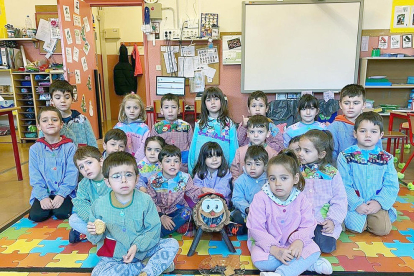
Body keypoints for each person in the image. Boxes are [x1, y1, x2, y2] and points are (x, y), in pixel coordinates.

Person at [87, 152, 179, 276]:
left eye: (128, 175)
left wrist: (137, 246)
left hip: (143, 250)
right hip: (115, 256)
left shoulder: (145, 200)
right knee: (97, 273)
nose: (123, 180)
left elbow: (153, 230)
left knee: (172, 244)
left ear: (136, 179)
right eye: (116, 176)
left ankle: (148, 272)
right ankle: (146, 267)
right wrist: (94, 232)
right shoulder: (99, 205)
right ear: (108, 182)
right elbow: (94, 239)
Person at [247, 150, 333, 276]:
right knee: (262, 263)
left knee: (314, 251)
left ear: (295, 178)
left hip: (294, 246)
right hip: (268, 246)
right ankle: (307, 264)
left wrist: (299, 241)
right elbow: (256, 228)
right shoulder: (260, 198)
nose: (277, 183)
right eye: (272, 178)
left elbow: (308, 225)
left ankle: (281, 273)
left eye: (284, 178)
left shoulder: (301, 198)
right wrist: (275, 250)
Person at [338, 112, 399, 236]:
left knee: (383, 230)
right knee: (355, 227)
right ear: (355, 133)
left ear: (381, 135)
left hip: (376, 202)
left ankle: (379, 213)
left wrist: (379, 203)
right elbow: (343, 184)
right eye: (363, 131)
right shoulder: (345, 156)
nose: (368, 135)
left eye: (373, 131)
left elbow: (391, 185)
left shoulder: (387, 158)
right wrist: (356, 203)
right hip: (353, 203)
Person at [147, 145, 215, 237]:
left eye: (176, 161)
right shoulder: (153, 180)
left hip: (176, 209)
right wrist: (162, 216)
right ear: (160, 164)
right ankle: (171, 226)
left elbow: (192, 191)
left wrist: (203, 190)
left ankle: (161, 232)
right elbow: (151, 202)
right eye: (167, 161)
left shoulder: (185, 177)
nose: (172, 164)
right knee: (146, 218)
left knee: (187, 212)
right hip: (158, 212)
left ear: (180, 163)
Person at [298, 130, 347, 253]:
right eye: (299, 149)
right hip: (299, 220)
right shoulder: (295, 170)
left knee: (327, 247)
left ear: (321, 154)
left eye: (306, 151)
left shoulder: (332, 173)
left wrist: (332, 220)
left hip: (322, 221)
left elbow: (339, 200)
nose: (300, 154)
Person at [28, 106, 78, 222]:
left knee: (62, 213)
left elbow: (72, 174)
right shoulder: (34, 149)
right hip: (44, 192)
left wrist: (61, 195)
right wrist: (43, 197)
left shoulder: (70, 147)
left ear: (61, 124)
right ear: (39, 126)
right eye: (45, 120)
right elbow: (35, 177)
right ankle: (47, 204)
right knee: (36, 216)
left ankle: (57, 204)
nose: (50, 123)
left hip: (65, 193)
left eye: (54, 120)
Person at [188, 87, 238, 174]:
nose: (213, 102)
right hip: (202, 171)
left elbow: (233, 149)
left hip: (223, 171)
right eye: (208, 100)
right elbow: (193, 149)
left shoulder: (229, 124)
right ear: (204, 104)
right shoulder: (200, 124)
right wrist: (191, 170)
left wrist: (233, 172)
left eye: (216, 99)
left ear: (222, 101)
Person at [327, 84, 382, 162]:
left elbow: (379, 152)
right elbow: (331, 156)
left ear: (363, 105)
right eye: (346, 103)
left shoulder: (373, 125)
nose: (351, 107)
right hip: (343, 171)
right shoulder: (333, 128)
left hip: (369, 169)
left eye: (356, 103)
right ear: (340, 105)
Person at [69, 146, 111, 243]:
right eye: (81, 167)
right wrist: (93, 221)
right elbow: (81, 204)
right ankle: (101, 237)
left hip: (114, 217)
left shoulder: (111, 178)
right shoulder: (83, 184)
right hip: (95, 219)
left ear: (101, 161)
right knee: (73, 219)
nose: (86, 169)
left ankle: (93, 236)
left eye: (89, 163)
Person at [39, 80, 97, 147]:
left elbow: (93, 144)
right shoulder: (48, 121)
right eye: (58, 98)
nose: (63, 100)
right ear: (52, 101)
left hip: (81, 156)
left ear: (72, 99)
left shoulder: (82, 120)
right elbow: (41, 145)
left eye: (67, 97)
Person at [230, 145, 269, 235]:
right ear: (244, 164)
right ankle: (245, 228)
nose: (252, 168)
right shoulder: (240, 181)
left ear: (265, 166)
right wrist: (247, 208)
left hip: (265, 212)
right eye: (249, 164)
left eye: (257, 164)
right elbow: (237, 199)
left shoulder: (268, 179)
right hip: (246, 212)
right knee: (237, 216)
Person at [150, 93, 193, 172]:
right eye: (166, 107)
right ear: (162, 111)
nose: (170, 111)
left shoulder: (186, 126)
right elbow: (153, 146)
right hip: (165, 163)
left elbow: (192, 145)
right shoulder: (157, 127)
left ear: (179, 110)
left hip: (183, 163)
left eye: (173, 107)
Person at [231, 115, 278, 180]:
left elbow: (275, 173)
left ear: (268, 133)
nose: (256, 135)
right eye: (252, 132)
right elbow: (234, 170)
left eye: (260, 132)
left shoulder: (273, 154)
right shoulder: (240, 151)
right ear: (247, 133)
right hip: (244, 187)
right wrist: (235, 182)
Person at [114, 93, 149, 163]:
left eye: (135, 108)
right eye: (128, 107)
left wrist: (136, 161)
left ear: (141, 111)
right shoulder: (118, 127)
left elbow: (144, 147)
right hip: (121, 161)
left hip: (139, 163)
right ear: (123, 110)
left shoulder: (144, 128)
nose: (132, 111)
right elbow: (114, 144)